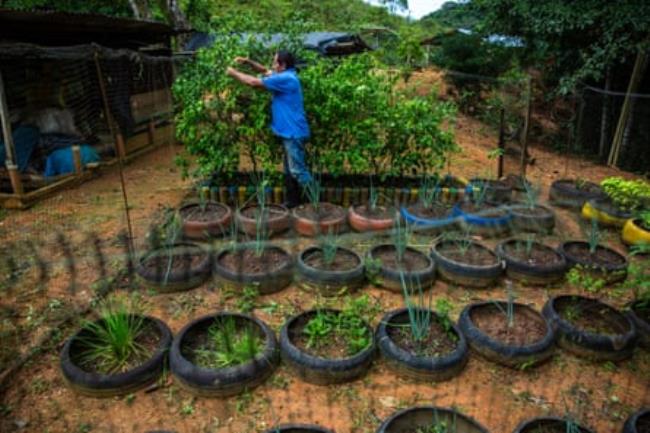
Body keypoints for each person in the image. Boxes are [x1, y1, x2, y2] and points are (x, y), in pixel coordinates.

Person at [226, 50, 312, 208]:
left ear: (282, 65)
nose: (272, 65)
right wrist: (248, 62)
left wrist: (233, 72)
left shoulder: (286, 79)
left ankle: (316, 202)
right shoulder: (285, 75)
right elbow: (265, 71)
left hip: (293, 133)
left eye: (275, 62)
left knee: (298, 171)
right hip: (289, 132)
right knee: (289, 172)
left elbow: (253, 82)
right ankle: (293, 203)